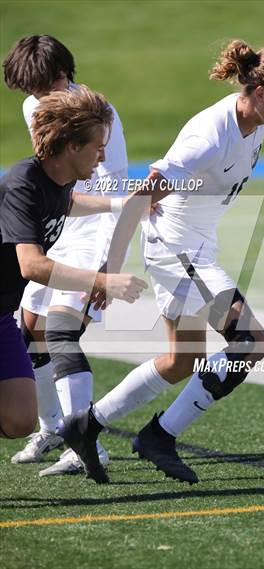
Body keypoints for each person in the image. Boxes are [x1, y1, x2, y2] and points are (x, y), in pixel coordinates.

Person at [58, 39, 264, 484]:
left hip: (193, 245)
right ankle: (159, 436)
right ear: (263, 92)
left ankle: (85, 425)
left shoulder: (257, 121)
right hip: (178, 252)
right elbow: (139, 199)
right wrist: (109, 271)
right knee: (251, 342)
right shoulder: (208, 137)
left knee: (182, 360)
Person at [2, 35, 128, 476]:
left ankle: (83, 442)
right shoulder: (34, 106)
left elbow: (115, 191)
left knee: (61, 331)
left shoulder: (98, 118)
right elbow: (48, 179)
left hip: (94, 230)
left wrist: (107, 267)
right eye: (30, 92)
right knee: (29, 332)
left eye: (43, 87)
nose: (37, 99)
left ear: (63, 76)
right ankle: (53, 427)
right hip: (57, 224)